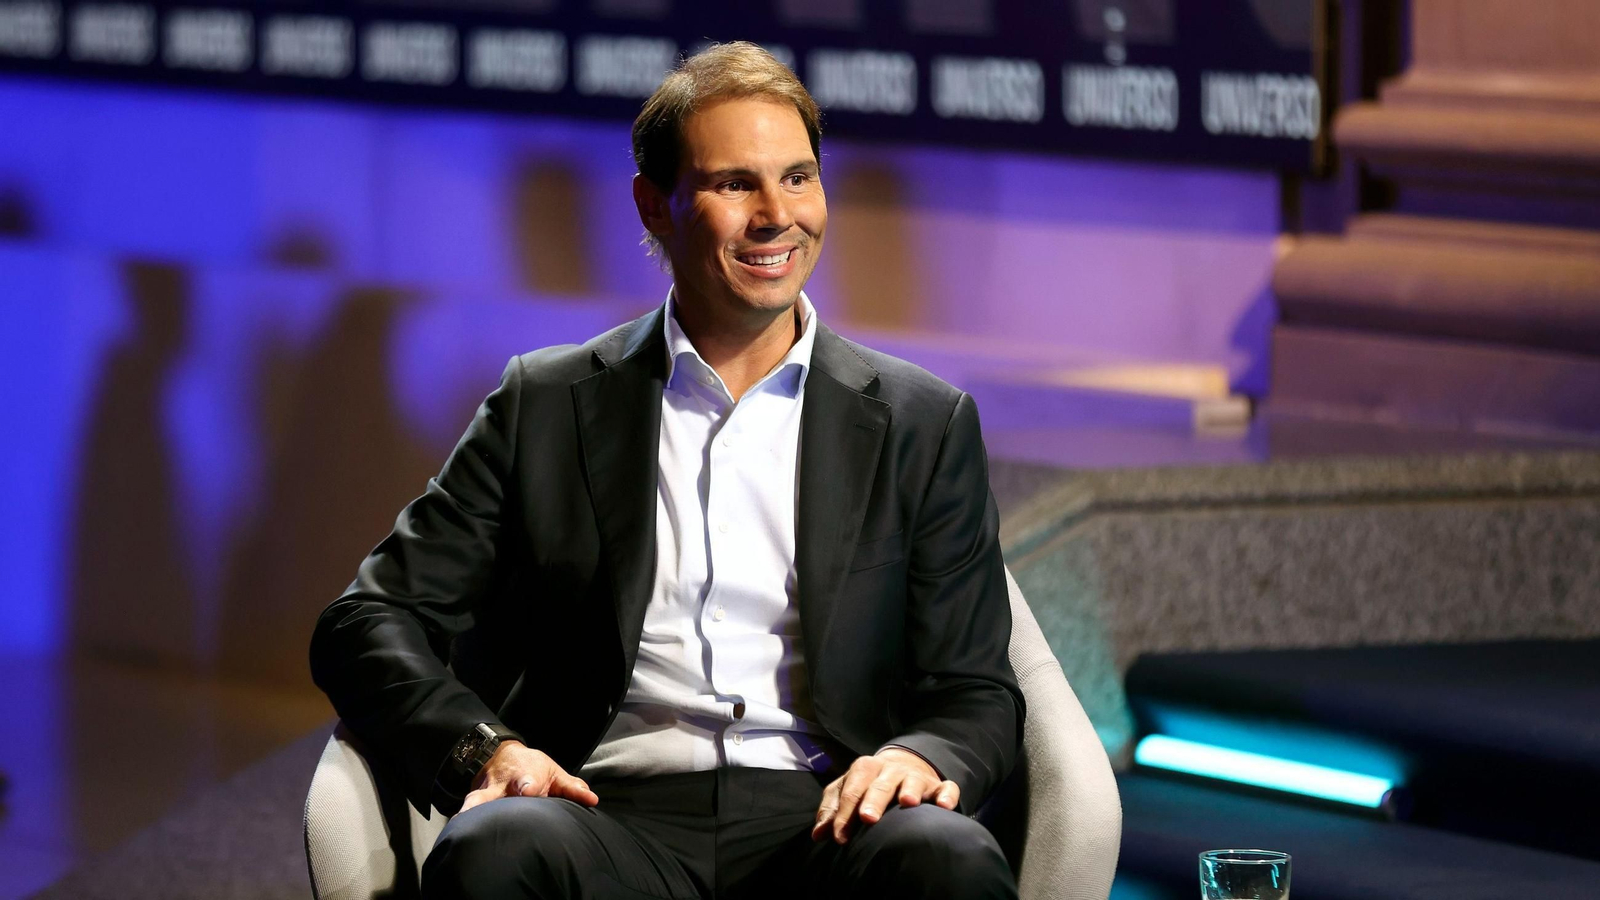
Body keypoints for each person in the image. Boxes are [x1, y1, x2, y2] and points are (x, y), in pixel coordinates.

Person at [310, 41, 1024, 900]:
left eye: (798, 177)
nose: (778, 215)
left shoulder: (923, 423)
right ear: (655, 205)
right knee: (496, 849)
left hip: (829, 820)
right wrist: (485, 751)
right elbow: (365, 621)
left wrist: (918, 756)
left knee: (949, 860)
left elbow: (977, 691)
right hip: (604, 816)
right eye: (736, 184)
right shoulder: (546, 404)